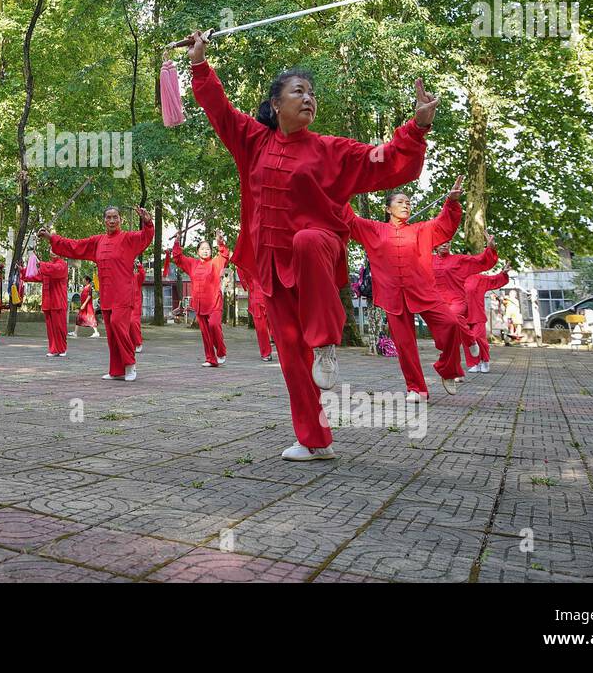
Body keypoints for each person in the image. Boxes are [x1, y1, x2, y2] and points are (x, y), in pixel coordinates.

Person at [183, 28, 435, 460]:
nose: (309, 98)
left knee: (304, 238)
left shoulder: (330, 150)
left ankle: (326, 342)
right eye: (299, 91)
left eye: (312, 93)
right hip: (271, 268)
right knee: (291, 359)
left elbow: (386, 161)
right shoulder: (253, 141)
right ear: (276, 104)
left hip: (317, 254)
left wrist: (417, 128)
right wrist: (200, 63)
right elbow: (219, 110)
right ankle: (313, 440)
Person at [344, 180, 467, 400]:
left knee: (451, 324)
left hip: (423, 291)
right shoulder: (374, 229)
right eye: (400, 202)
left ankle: (448, 368)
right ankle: (416, 388)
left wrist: (452, 201)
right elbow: (349, 220)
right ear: (388, 209)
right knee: (404, 344)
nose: (406, 205)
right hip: (392, 295)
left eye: (408, 202)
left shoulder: (421, 229)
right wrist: (342, 191)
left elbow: (444, 224)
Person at [42, 206, 154, 381]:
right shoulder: (98, 241)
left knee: (118, 325)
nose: (111, 220)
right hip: (107, 295)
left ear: (121, 220)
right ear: (104, 221)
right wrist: (52, 238)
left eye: (115, 217)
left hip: (123, 294)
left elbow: (146, 237)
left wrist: (147, 222)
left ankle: (130, 365)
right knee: (111, 332)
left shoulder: (128, 239)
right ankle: (116, 370)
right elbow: (75, 246)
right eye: (108, 217)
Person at [433, 236, 498, 365]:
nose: (445, 245)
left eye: (448, 242)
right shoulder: (427, 260)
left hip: (456, 301)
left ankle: (471, 341)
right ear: (435, 245)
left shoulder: (458, 259)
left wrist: (490, 248)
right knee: (448, 338)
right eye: (442, 242)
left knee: (453, 317)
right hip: (438, 301)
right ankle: (454, 370)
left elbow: (479, 260)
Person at [171, 231, 232, 367]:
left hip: (214, 302)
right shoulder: (192, 264)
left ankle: (221, 351)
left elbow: (225, 255)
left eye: (208, 249)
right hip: (199, 303)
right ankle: (211, 358)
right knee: (205, 333)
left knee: (214, 325)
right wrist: (177, 242)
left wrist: (220, 242)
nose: (205, 251)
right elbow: (178, 258)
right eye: (202, 249)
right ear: (198, 251)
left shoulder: (216, 262)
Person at [462, 265, 509, 371]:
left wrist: (503, 274)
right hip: (462, 314)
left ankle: (485, 361)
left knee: (478, 338)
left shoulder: (479, 278)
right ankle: (476, 363)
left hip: (477, 313)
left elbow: (493, 280)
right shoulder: (456, 277)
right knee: (467, 341)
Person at [24, 251, 70, 356]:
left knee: (59, 327)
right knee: (50, 328)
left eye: (55, 250)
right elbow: (37, 276)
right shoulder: (48, 266)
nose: (53, 252)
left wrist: (41, 264)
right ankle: (53, 349)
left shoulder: (62, 264)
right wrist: (23, 271)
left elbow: (54, 270)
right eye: (51, 250)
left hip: (58, 301)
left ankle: (62, 349)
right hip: (48, 302)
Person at [237, 265, 276, 362]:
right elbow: (240, 268)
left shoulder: (268, 260)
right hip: (256, 300)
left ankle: (281, 348)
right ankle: (266, 353)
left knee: (276, 326)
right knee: (261, 329)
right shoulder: (248, 264)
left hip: (272, 298)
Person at [130, 259, 147, 353]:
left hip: (135, 305)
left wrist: (139, 266)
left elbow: (142, 275)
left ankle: (138, 343)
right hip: (126, 305)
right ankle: (130, 344)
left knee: (133, 323)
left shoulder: (136, 277)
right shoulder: (123, 278)